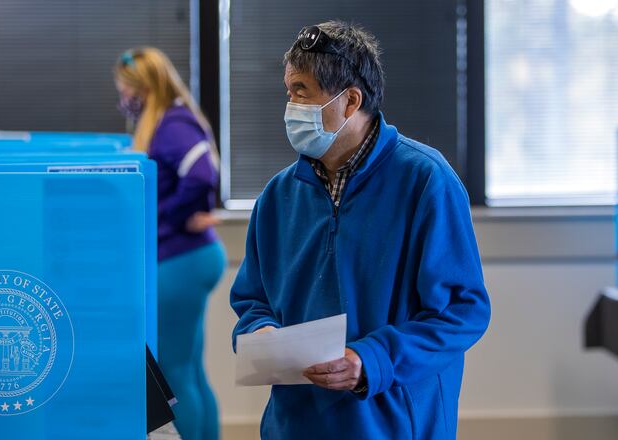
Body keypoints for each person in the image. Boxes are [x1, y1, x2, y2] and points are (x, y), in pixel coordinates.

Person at [230, 21, 491, 439]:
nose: (289, 105)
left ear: (350, 100)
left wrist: (372, 360)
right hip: (297, 423)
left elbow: (462, 312)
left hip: (393, 421)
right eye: (288, 91)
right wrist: (259, 332)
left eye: (301, 91)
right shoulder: (279, 196)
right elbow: (252, 300)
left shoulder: (425, 182)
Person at [114, 47, 225, 440]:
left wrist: (166, 215)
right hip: (189, 257)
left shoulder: (173, 122)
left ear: (143, 88)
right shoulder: (164, 119)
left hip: (181, 259)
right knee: (190, 369)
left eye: (125, 89)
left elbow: (201, 172)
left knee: (175, 376)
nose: (122, 98)